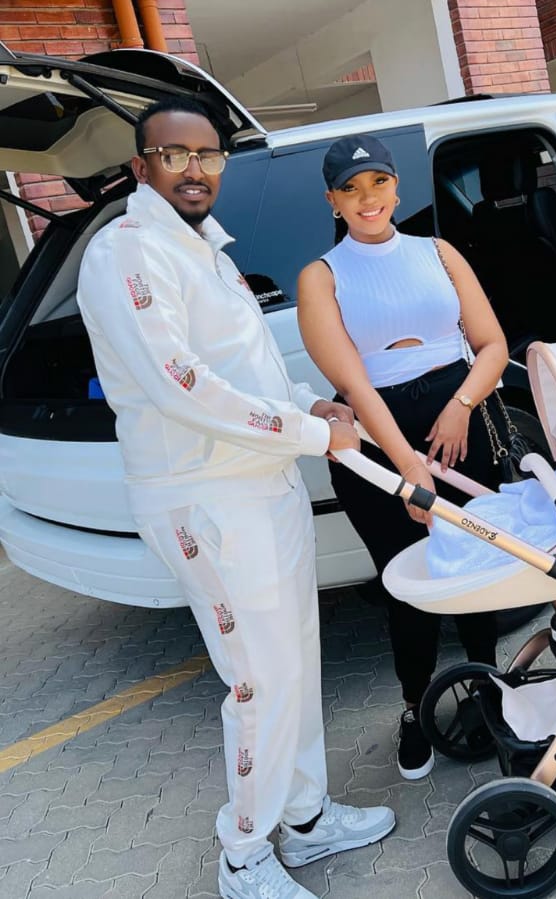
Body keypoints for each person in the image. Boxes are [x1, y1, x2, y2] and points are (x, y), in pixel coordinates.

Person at [77, 97, 395, 899]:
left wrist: (306, 402)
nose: (195, 170)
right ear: (140, 164)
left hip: (263, 484)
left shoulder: (204, 249)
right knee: (257, 677)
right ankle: (245, 853)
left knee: (294, 660)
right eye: (175, 155)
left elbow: (243, 366)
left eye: (209, 156)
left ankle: (306, 816)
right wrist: (317, 435)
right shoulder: (128, 251)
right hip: (207, 498)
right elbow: (182, 386)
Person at [296, 134, 512, 780]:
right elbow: (356, 386)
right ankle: (417, 705)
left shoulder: (438, 251)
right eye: (352, 189)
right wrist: (410, 467)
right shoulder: (321, 276)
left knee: (475, 560)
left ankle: (487, 683)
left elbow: (493, 342)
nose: (369, 199)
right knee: (408, 581)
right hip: (375, 438)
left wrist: (462, 404)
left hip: (458, 417)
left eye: (379, 183)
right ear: (334, 201)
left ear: (397, 187)